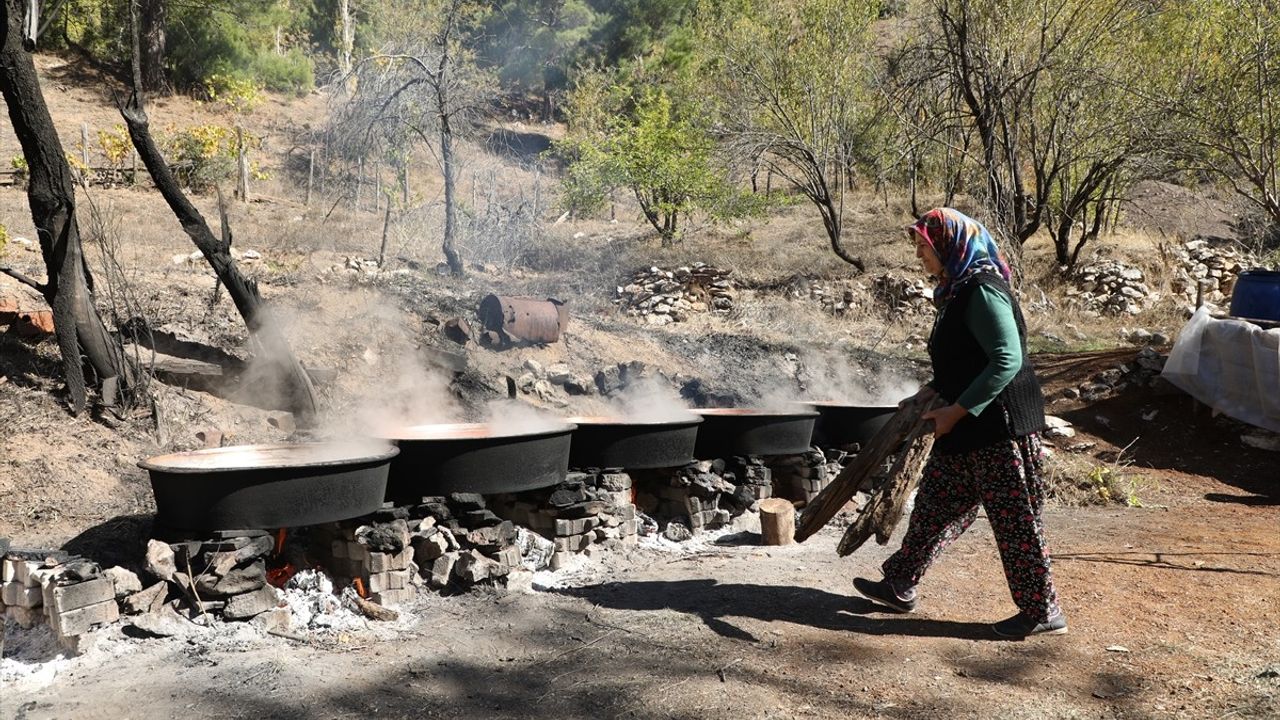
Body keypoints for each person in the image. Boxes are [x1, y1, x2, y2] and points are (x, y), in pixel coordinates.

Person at [853, 207, 1066, 638]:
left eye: (924, 247)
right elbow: (964, 358)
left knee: (1015, 520)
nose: (919, 256)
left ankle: (1043, 611)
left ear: (950, 246)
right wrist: (931, 391)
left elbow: (1007, 359)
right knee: (935, 506)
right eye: (917, 247)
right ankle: (901, 583)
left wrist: (954, 411)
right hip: (969, 420)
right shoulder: (956, 290)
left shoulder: (982, 290)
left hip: (999, 425)